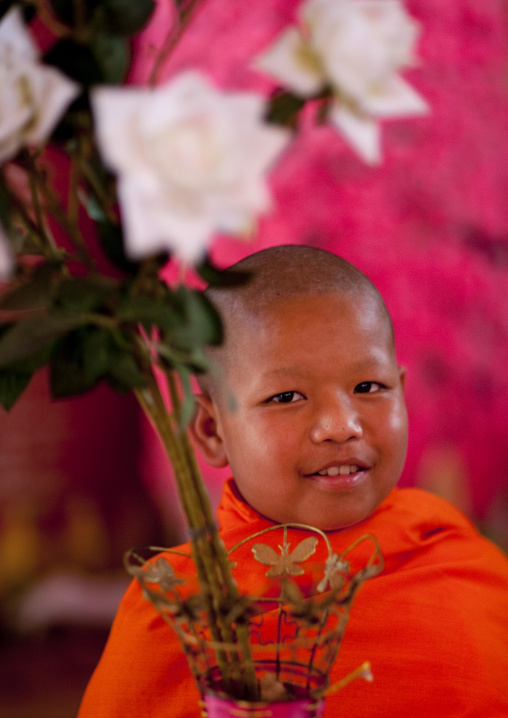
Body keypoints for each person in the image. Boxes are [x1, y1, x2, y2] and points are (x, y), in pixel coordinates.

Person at [78, 245, 508, 717]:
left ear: (402, 395)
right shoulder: (176, 616)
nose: (341, 425)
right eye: (287, 396)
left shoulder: (454, 555)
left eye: (369, 387)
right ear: (211, 430)